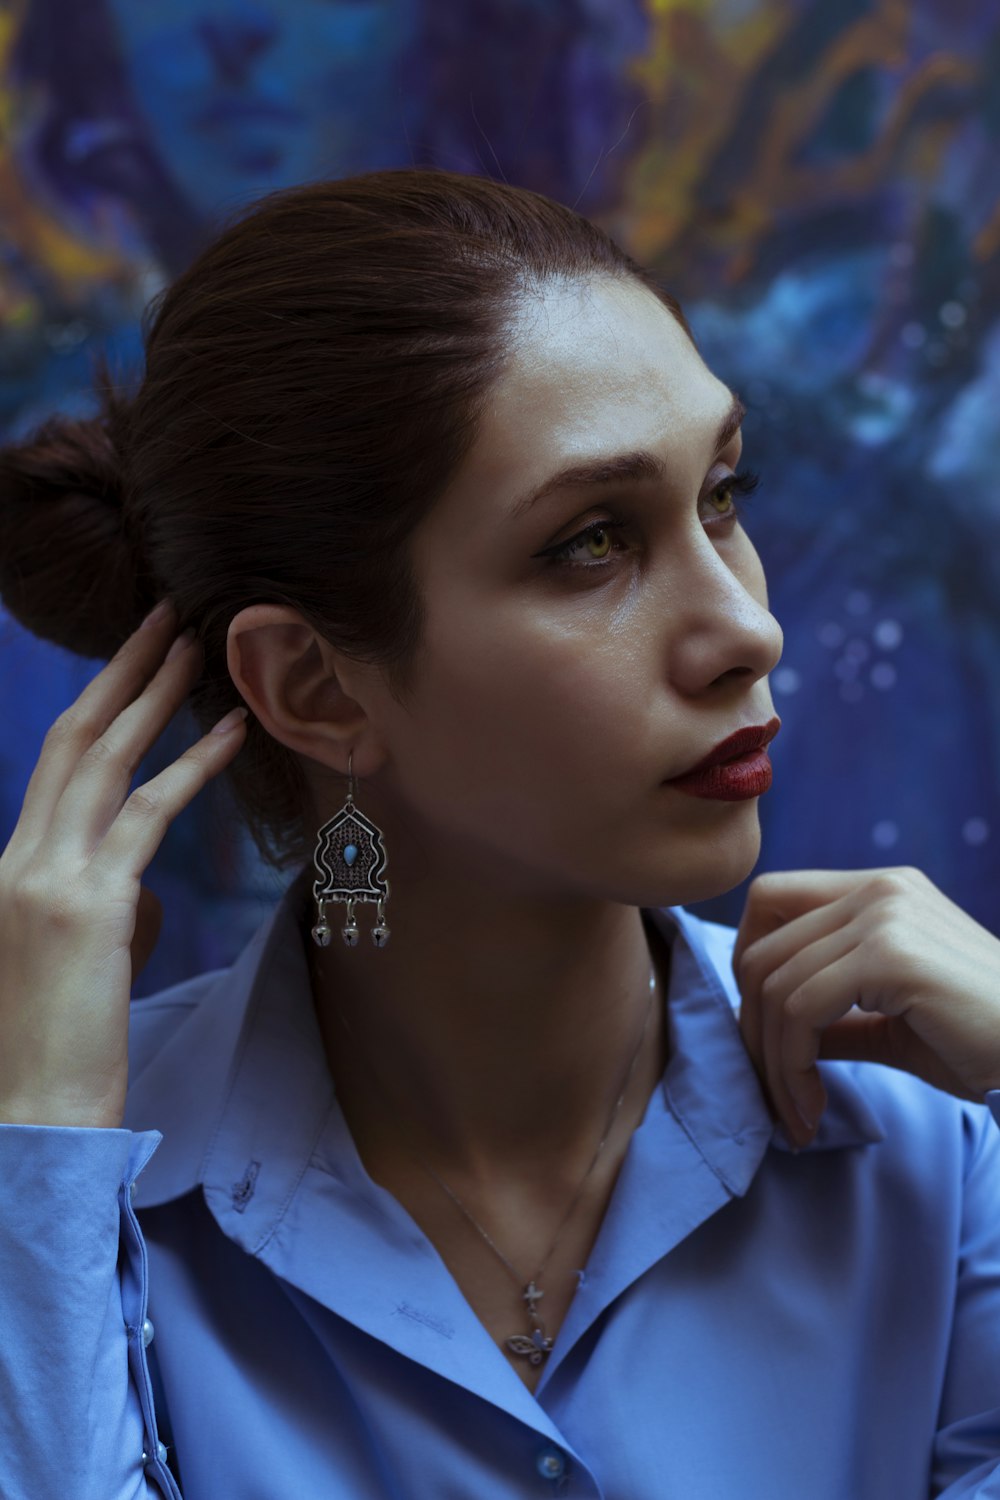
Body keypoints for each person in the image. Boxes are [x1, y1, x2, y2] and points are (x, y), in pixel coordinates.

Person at [1, 168, 999, 1500]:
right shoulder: (78, 1210)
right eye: (593, 542)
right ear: (315, 685)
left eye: (724, 492)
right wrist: (39, 1141)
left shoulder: (936, 1152)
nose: (748, 630)